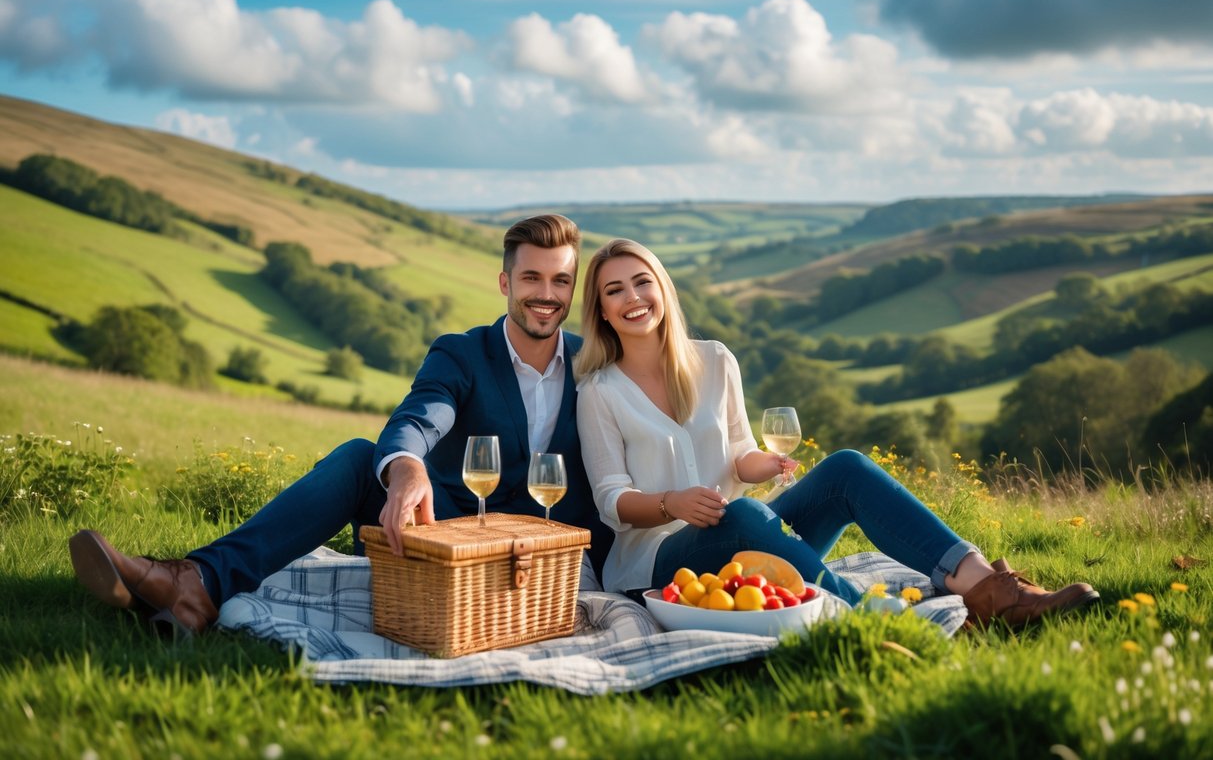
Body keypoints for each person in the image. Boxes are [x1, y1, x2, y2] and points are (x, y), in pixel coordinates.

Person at [70, 214, 612, 635]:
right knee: (360, 456)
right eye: (531, 277)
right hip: (444, 531)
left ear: (573, 288)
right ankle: (194, 583)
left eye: (560, 280)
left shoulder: (594, 364)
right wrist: (404, 467)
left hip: (548, 556)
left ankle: (185, 592)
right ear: (504, 281)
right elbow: (419, 418)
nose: (546, 294)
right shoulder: (463, 354)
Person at [573, 238, 1099, 628]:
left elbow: (738, 455)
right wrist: (672, 503)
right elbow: (610, 500)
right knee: (744, 513)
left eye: (643, 282)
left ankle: (987, 588)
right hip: (660, 568)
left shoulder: (714, 360)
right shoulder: (600, 392)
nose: (633, 297)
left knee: (844, 466)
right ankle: (877, 621)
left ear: (662, 288)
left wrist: (768, 465)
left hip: (746, 534)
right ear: (601, 310)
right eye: (614, 290)